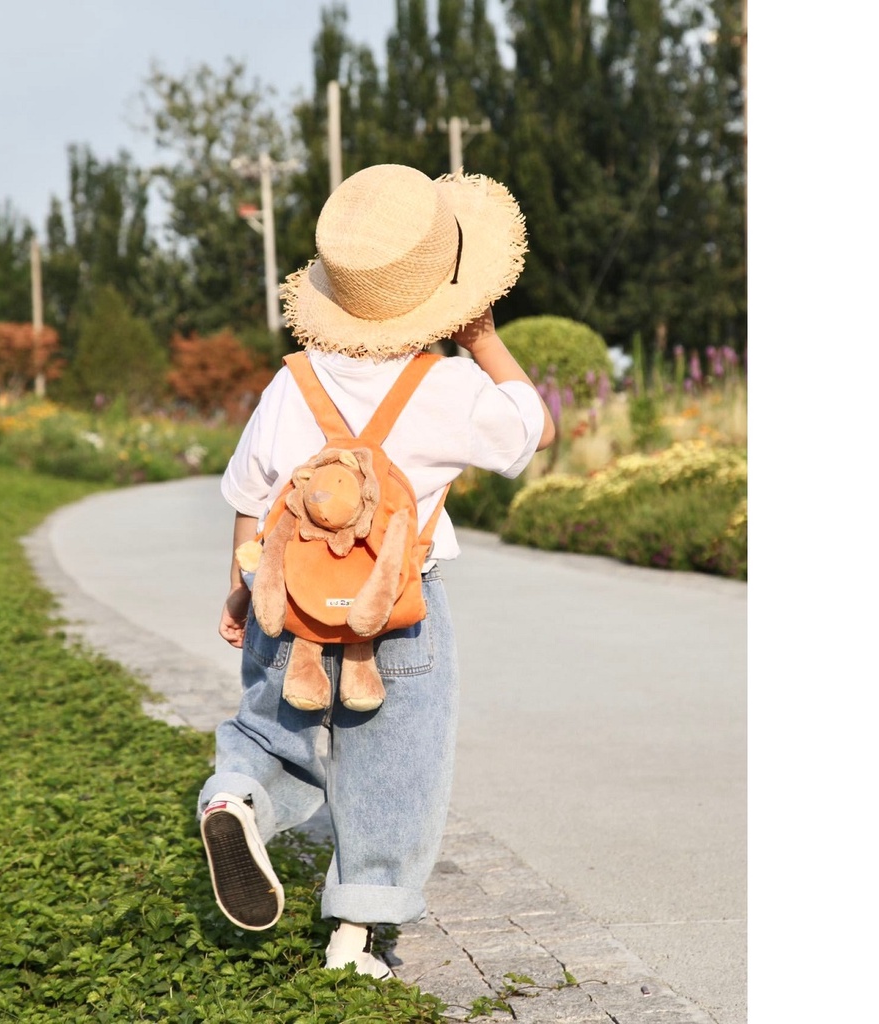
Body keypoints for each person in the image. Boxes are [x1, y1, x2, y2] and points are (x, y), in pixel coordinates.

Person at [198, 162, 556, 978]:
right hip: (398, 610)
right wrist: (483, 339)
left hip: (287, 602)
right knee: (396, 763)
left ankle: (236, 797)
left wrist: (242, 591)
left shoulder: (289, 383)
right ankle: (357, 937)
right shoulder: (450, 386)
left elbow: (250, 499)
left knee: (270, 731)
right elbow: (533, 430)